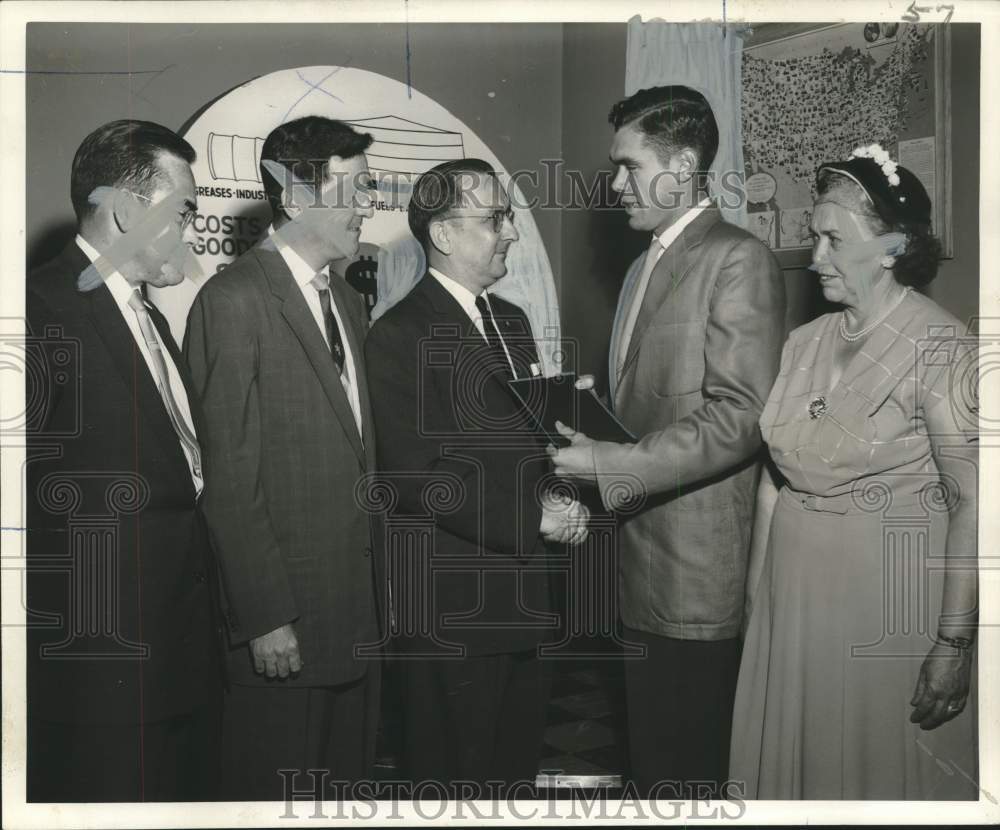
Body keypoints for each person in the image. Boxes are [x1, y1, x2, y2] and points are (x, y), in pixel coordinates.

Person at [550, 85, 786, 797]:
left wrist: (609, 462)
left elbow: (740, 418)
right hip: (635, 568)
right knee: (652, 764)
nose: (615, 184)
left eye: (628, 166)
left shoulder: (738, 259)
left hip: (692, 576)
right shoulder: (638, 266)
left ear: (682, 165)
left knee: (685, 770)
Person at [729, 146, 979, 800]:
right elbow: (773, 482)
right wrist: (757, 603)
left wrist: (955, 641)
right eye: (814, 236)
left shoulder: (943, 348)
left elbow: (974, 505)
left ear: (893, 246)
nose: (814, 258)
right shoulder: (803, 341)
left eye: (834, 240)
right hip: (794, 599)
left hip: (886, 609)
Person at [365, 159, 589, 793]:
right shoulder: (397, 336)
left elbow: (529, 446)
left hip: (525, 597)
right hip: (452, 611)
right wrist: (533, 517)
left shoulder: (512, 324)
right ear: (443, 234)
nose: (510, 232)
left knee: (511, 775)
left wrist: (562, 493)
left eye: (507, 218)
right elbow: (415, 475)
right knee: (453, 782)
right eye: (494, 219)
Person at [184, 116, 383, 800]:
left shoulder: (351, 302)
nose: (370, 203)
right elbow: (229, 479)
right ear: (298, 196)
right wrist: (266, 615)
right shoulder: (232, 301)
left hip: (354, 624)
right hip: (285, 633)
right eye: (357, 187)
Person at [25, 119, 222, 801]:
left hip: (177, 667)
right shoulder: (34, 311)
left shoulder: (153, 320)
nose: (195, 231)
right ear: (127, 209)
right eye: (186, 210)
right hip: (95, 684)